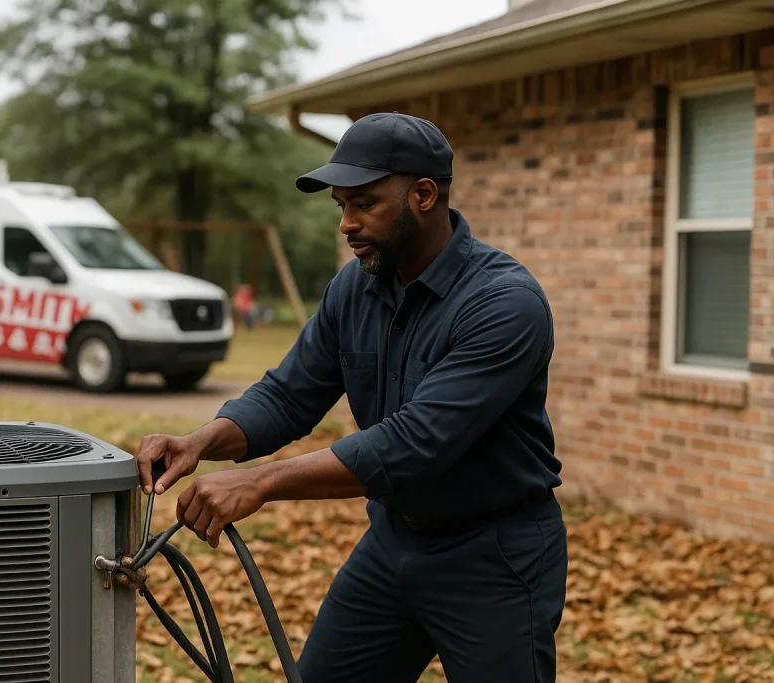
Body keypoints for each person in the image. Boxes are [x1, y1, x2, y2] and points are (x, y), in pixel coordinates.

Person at [135, 112, 568, 683]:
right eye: (341, 206)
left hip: (494, 555)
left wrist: (260, 482)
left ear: (423, 194)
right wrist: (203, 441)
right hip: (394, 541)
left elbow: (414, 444)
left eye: (364, 204)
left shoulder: (504, 304)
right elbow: (290, 394)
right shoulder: (356, 286)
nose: (347, 224)